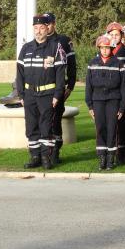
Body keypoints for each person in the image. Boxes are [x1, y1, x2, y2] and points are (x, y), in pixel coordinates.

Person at [16, 15, 67, 169]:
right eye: (36, 28)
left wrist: (57, 95)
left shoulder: (56, 47)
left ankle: (46, 157)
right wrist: (21, 95)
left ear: (47, 29)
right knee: (31, 127)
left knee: (46, 127)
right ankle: (35, 156)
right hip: (30, 95)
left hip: (47, 95)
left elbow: (60, 74)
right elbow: (19, 73)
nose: (38, 31)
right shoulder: (26, 48)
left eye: (42, 28)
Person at [85, 35, 125, 170]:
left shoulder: (119, 63)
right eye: (102, 48)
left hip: (113, 100)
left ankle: (111, 158)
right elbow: (88, 86)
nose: (105, 51)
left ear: (112, 48)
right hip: (97, 100)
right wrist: (90, 105)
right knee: (100, 128)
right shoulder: (93, 63)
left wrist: (122, 107)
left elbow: (124, 87)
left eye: (107, 48)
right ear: (99, 48)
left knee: (111, 128)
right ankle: (102, 157)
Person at [42, 12, 76, 164]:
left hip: (58, 87)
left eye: (49, 23)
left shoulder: (63, 40)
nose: (47, 26)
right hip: (41, 89)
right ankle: (43, 153)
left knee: (56, 121)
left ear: (54, 24)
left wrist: (71, 85)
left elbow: (72, 64)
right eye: (45, 24)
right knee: (43, 121)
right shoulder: (38, 41)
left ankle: (55, 152)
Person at [106, 22, 125, 163]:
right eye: (111, 35)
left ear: (122, 36)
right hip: (108, 95)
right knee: (110, 125)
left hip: (123, 95)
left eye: (117, 35)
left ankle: (123, 154)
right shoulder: (105, 50)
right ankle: (111, 152)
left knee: (124, 125)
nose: (114, 37)